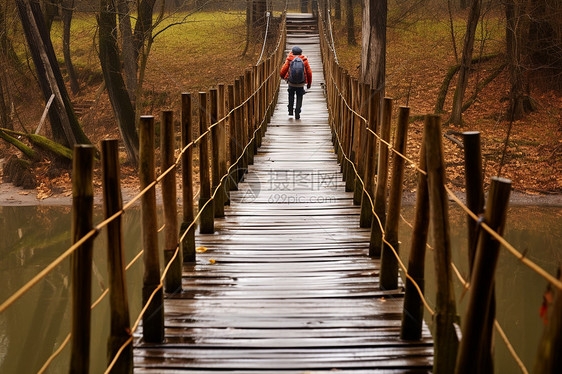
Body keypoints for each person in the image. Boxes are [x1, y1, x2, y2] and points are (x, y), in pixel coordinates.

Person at [280, 46, 312, 120]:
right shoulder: (304, 60)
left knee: (291, 95)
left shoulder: (290, 59)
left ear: (292, 52)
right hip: (301, 83)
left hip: (291, 82)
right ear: (301, 53)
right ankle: (297, 111)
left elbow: (284, 69)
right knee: (299, 96)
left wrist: (282, 76)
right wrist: (309, 83)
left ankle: (290, 110)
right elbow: (309, 72)